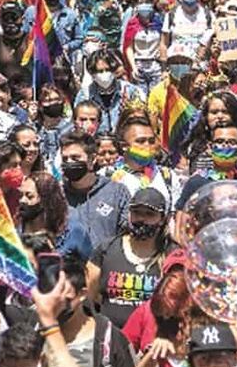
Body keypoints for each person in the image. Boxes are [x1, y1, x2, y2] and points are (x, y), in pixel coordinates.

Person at [87, 187, 175, 329]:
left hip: (153, 343)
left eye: (149, 214)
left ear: (162, 219)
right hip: (111, 340)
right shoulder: (107, 249)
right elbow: (88, 297)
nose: (141, 219)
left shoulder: (172, 254)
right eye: (136, 213)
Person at [60, 130, 131, 249]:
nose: (69, 162)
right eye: (65, 159)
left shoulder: (117, 193)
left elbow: (127, 233)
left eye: (75, 158)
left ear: (92, 159)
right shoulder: (58, 195)